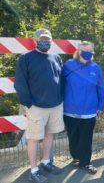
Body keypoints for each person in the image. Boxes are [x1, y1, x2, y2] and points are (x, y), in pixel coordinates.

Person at [14, 29, 64, 183]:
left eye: (47, 39)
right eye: (42, 39)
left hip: (55, 105)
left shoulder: (56, 57)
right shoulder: (26, 58)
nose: (45, 41)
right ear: (35, 41)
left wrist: (60, 98)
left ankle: (46, 162)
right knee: (34, 138)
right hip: (36, 106)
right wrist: (28, 103)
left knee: (50, 134)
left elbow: (60, 78)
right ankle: (33, 170)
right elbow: (20, 83)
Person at [63, 41, 104, 175]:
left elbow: (100, 88)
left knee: (86, 137)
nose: (86, 51)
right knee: (73, 136)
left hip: (89, 110)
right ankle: (75, 157)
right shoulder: (68, 65)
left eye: (89, 49)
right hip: (70, 109)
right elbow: (60, 84)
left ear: (92, 52)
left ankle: (85, 162)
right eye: (83, 49)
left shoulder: (96, 68)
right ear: (78, 50)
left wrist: (100, 105)